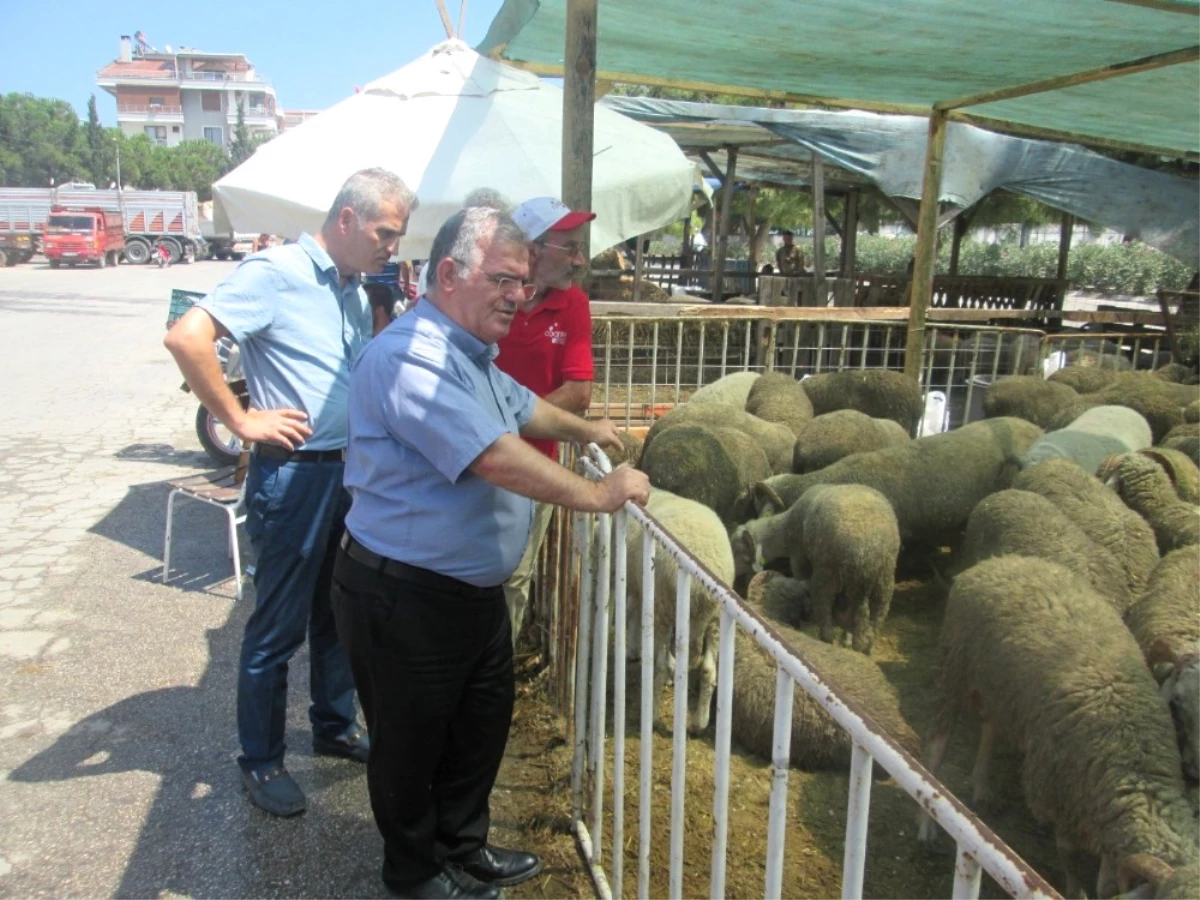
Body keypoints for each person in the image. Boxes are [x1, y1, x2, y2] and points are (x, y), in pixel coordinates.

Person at [333, 206, 650, 900]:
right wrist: (599, 495)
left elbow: (525, 409)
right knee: (412, 743)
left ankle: (464, 847)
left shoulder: (470, 351)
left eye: (526, 282)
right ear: (448, 274)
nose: (519, 295)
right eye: (504, 279)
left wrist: (586, 426)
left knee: (477, 727)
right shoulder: (412, 358)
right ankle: (412, 873)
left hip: (463, 591)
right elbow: (494, 456)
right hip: (405, 593)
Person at [164, 167, 417, 818]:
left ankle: (333, 726)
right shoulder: (276, 272)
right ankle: (261, 759)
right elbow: (187, 336)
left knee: (336, 614)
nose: (394, 244)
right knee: (277, 628)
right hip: (297, 472)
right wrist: (241, 420)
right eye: (386, 232)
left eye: (399, 234)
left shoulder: (357, 290)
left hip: (345, 473)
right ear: (345, 220)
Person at [496, 196, 596, 644]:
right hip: (468, 457)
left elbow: (579, 390)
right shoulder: (493, 295)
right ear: (532, 250)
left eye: (579, 248)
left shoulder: (572, 304)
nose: (578, 259)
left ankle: (494, 677)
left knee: (514, 578)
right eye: (569, 248)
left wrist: (506, 426)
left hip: (532, 464)